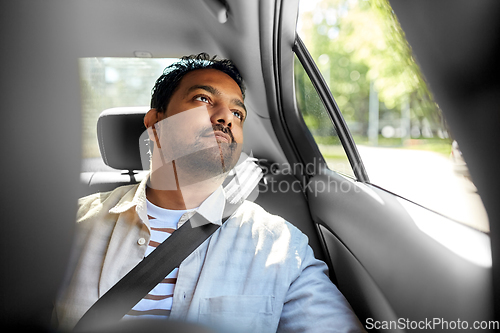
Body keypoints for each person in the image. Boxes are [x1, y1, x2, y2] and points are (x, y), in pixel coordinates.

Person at [55, 53, 365, 332]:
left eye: (238, 113)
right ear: (155, 124)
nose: (226, 117)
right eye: (203, 99)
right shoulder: (67, 225)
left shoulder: (280, 246)